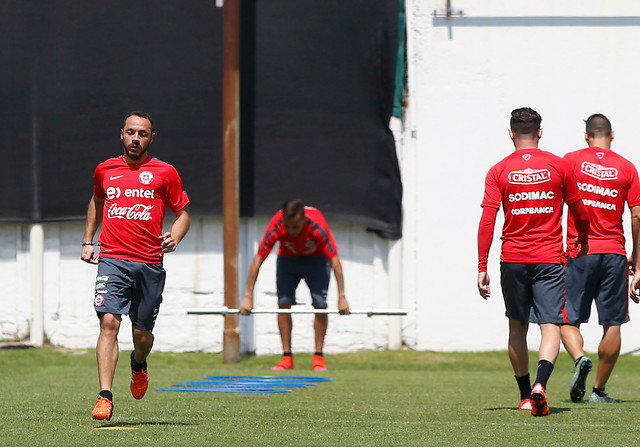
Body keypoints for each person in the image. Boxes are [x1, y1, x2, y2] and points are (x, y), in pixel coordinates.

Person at [477, 107, 590, 416]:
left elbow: (487, 221)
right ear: (540, 132)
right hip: (549, 259)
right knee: (550, 325)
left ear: (511, 133)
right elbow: (580, 211)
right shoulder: (559, 166)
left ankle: (526, 395)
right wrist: (584, 237)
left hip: (512, 258)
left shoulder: (498, 170)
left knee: (517, 325)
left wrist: (481, 266)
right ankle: (542, 384)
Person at [81, 111, 191, 420]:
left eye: (142, 133)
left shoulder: (165, 172)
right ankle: (105, 396)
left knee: (141, 336)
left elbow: (183, 214)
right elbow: (97, 200)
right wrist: (88, 240)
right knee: (108, 323)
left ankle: (139, 363)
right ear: (121, 134)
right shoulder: (105, 169)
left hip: (149, 264)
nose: (135, 138)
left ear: (151, 138)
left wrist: (176, 237)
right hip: (113, 258)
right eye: (130, 132)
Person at [560, 114, 640, 403]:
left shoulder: (569, 161)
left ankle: (580, 358)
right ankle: (598, 391)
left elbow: (553, 201)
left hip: (579, 252)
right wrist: (638, 260)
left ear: (586, 136)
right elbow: (637, 215)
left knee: (567, 321)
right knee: (613, 323)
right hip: (614, 253)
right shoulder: (627, 167)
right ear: (612, 135)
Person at [239, 199, 350, 371]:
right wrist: (247, 297)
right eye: (288, 226)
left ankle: (318, 358)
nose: (291, 231)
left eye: (296, 227)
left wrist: (342, 297)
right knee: (283, 304)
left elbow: (335, 261)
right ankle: (287, 358)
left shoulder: (317, 225)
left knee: (320, 304)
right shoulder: (278, 224)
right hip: (288, 261)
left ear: (303, 220)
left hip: (316, 262)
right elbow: (257, 260)